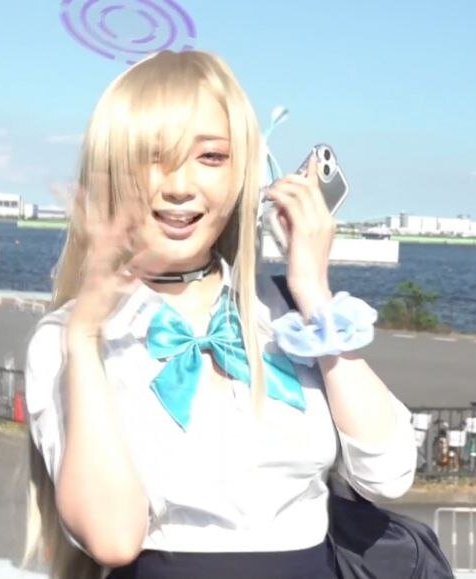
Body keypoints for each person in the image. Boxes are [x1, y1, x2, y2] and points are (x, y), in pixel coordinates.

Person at [22, 50, 416, 579]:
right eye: (152, 158)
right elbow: (113, 539)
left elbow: (389, 473)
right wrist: (85, 338)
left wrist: (312, 291)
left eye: (210, 157)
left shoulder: (288, 314)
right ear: (111, 170)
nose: (179, 186)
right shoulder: (68, 337)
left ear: (243, 173)